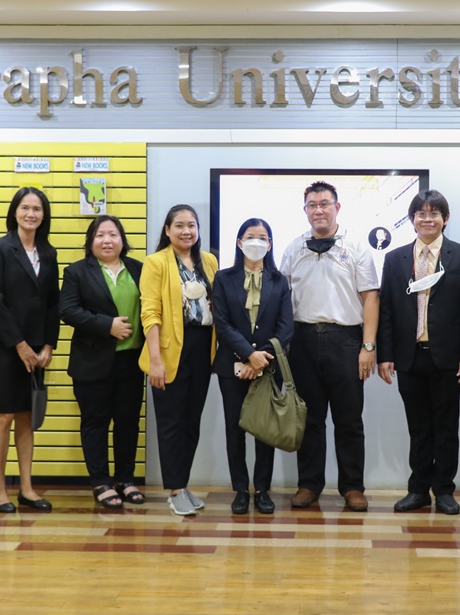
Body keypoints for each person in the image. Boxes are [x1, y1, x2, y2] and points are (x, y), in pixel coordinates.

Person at [377, 190, 460, 515]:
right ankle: (418, 490)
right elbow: (387, 310)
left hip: (449, 359)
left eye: (434, 213)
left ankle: (445, 491)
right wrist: (385, 355)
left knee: (446, 428)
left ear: (445, 219)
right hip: (409, 357)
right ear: (412, 220)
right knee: (418, 428)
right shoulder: (394, 259)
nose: (427, 219)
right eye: (421, 213)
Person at [280, 181, 379, 512]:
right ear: (305, 210)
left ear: (337, 208)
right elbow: (282, 299)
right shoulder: (294, 248)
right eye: (312, 205)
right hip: (303, 340)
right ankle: (309, 484)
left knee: (349, 420)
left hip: (346, 341)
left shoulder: (356, 247)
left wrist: (368, 346)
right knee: (309, 419)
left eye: (325, 204)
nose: (318, 210)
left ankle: (352, 487)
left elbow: (370, 297)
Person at [0, 187, 59, 513]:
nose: (31, 214)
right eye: (25, 208)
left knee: (27, 416)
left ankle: (26, 489)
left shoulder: (48, 253)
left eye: (37, 209)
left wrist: (49, 344)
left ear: (44, 215)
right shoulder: (0, 248)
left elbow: (52, 303)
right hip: (2, 345)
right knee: (5, 415)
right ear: (15, 212)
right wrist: (20, 344)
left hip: (36, 347)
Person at [59, 215, 146, 509]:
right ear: (91, 241)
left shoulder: (138, 269)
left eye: (113, 234)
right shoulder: (77, 271)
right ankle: (100, 482)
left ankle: (125, 479)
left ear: (122, 240)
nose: (107, 240)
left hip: (132, 360)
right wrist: (107, 325)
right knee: (95, 422)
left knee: (128, 422)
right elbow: (68, 310)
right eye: (100, 235)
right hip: (92, 361)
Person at [140, 204, 218, 516]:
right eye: (179, 225)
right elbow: (150, 313)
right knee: (171, 422)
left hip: (202, 349)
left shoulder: (209, 261)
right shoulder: (156, 262)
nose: (187, 231)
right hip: (169, 350)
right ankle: (174, 489)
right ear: (167, 230)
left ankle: (183, 485)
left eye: (191, 225)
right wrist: (155, 360)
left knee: (191, 422)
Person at [213, 218, 294, 515]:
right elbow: (222, 323)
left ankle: (262, 489)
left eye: (263, 237)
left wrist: (260, 359)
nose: (256, 242)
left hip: (268, 367)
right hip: (231, 367)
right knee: (234, 429)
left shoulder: (279, 280)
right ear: (239, 242)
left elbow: (285, 327)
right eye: (250, 236)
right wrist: (248, 355)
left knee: (264, 430)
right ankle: (240, 489)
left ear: (270, 244)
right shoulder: (223, 278)